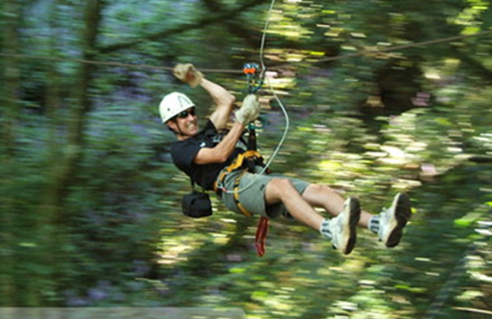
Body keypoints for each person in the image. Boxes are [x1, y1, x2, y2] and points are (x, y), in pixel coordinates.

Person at [160, 64, 412, 255]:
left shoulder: (207, 132)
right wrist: (241, 120)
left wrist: (199, 80)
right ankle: (331, 230)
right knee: (282, 187)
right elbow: (219, 154)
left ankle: (380, 225)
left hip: (254, 177)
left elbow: (226, 100)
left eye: (191, 112)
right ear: (172, 125)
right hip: (233, 187)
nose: (191, 118)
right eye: (183, 117)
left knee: (321, 191)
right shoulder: (180, 151)